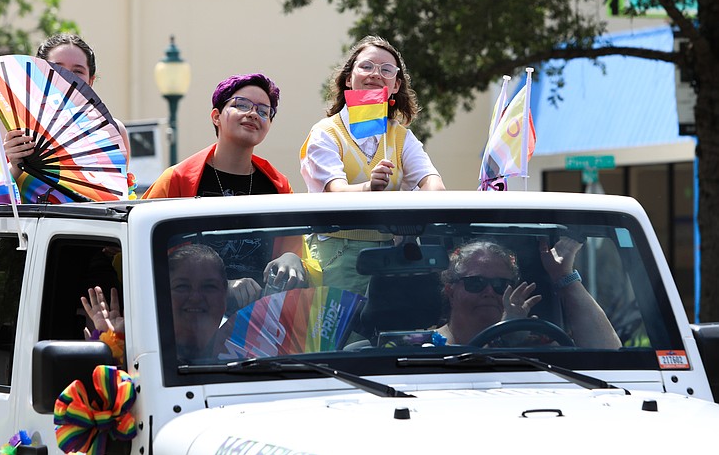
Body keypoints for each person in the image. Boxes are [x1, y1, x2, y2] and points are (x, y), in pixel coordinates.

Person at [142, 73, 309, 308]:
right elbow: (147, 253)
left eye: (264, 111)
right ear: (216, 116)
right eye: (242, 105)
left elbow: (296, 251)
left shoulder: (278, 187)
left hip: (260, 322)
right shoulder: (177, 180)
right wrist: (218, 289)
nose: (253, 114)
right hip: (191, 317)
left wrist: (292, 259)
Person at [299, 35, 446, 295]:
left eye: (386, 70)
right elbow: (335, 192)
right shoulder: (325, 133)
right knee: (343, 335)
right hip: (335, 257)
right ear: (348, 79)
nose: (375, 74)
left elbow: (433, 184)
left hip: (390, 258)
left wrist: (423, 198)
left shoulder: (401, 135)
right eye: (366, 66)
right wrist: (369, 188)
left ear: (396, 85)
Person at [3, 33, 131, 202]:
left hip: (89, 226)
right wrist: (14, 166)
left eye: (77, 71)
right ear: (38, 74)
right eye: (57, 68)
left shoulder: (112, 131)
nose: (67, 77)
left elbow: (117, 199)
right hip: (28, 227)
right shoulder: (8, 124)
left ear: (90, 81)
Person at [434, 238, 622, 349]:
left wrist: (564, 275)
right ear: (450, 290)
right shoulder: (425, 347)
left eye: (500, 284)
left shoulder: (535, 344)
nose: (489, 291)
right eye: (476, 282)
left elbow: (612, 356)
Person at [82, 244, 227, 363]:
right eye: (182, 286)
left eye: (209, 286)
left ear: (224, 296)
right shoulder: (139, 352)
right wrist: (113, 347)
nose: (196, 297)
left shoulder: (245, 349)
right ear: (160, 296)